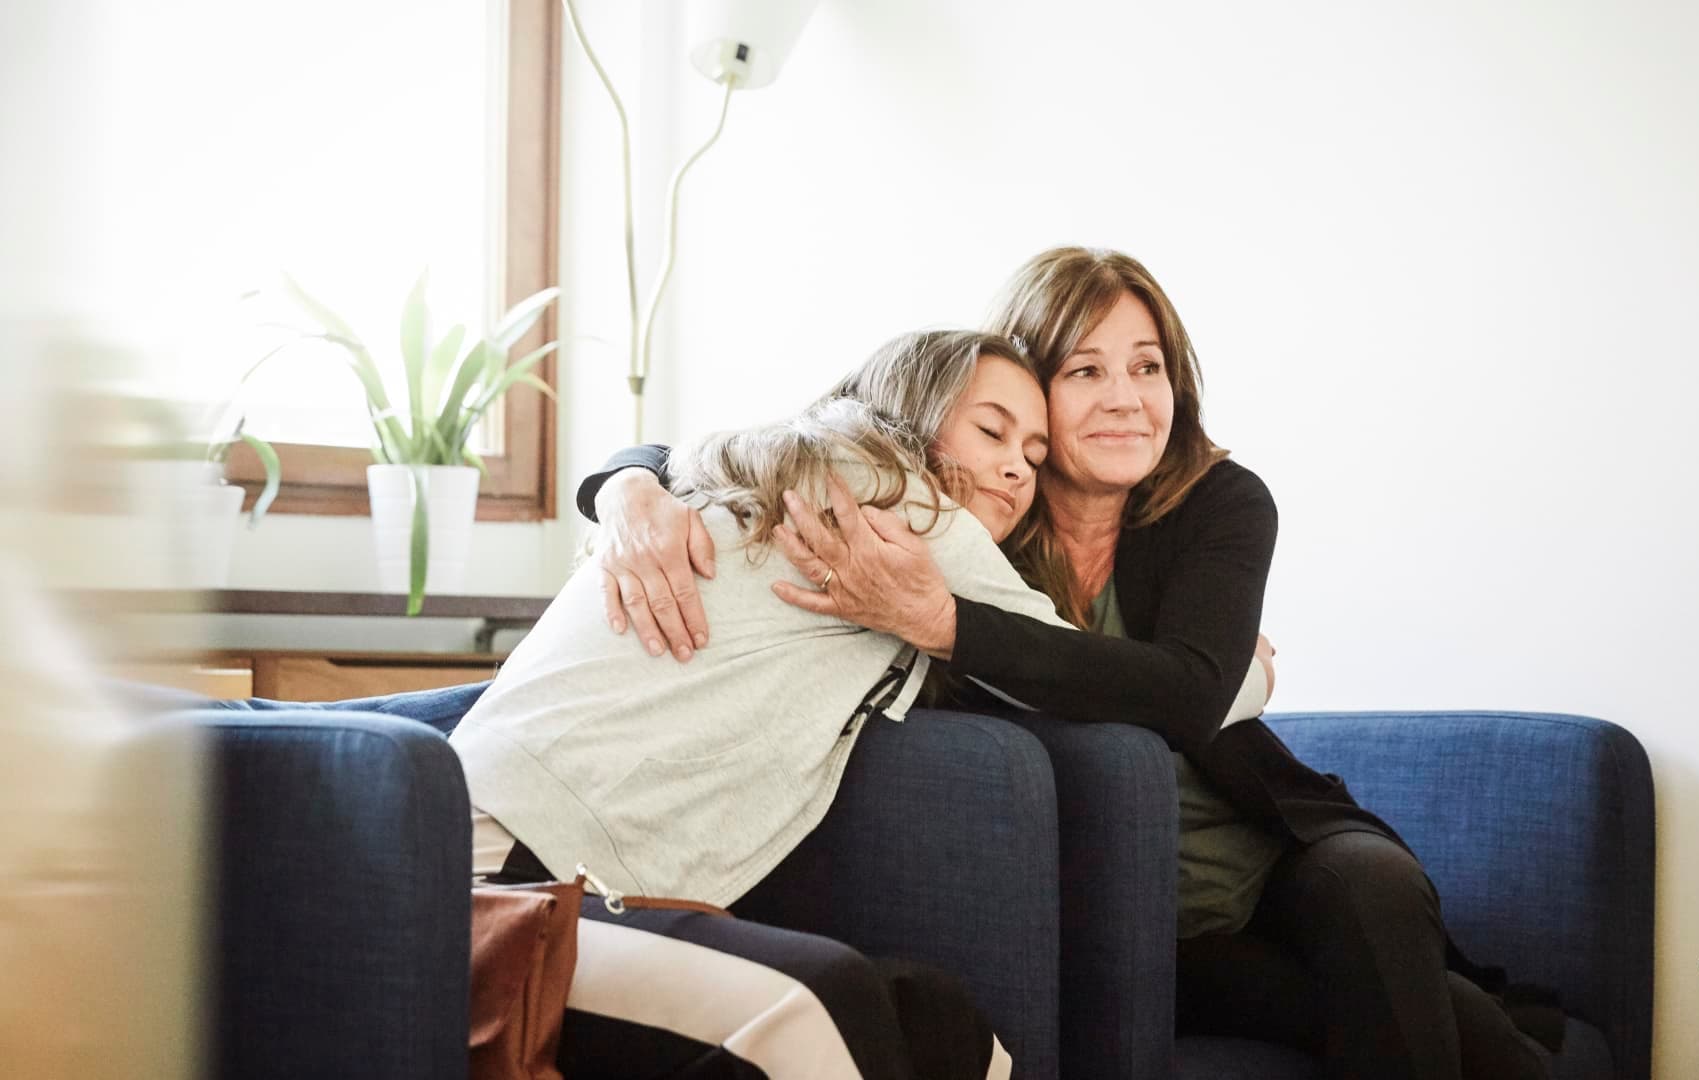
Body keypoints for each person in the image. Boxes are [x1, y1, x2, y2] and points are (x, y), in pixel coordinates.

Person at [580, 248, 1556, 1080]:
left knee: (1373, 891)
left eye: (1147, 367)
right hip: (1148, 907)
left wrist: (945, 624)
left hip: (1272, 853)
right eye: (1085, 371)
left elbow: (1186, 695)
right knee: (1429, 1016)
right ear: (1023, 378)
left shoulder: (1221, 504)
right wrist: (626, 481)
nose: (1126, 399)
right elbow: (798, 433)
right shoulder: (972, 502)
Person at [454, 329, 1065, 1080]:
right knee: (818, 1008)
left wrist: (623, 479)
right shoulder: (905, 504)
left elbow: (647, 458)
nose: (1015, 467)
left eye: (1036, 456)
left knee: (935, 1019)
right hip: (497, 889)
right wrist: (1249, 666)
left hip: (565, 877)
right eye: (991, 431)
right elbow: (1088, 670)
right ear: (916, 414)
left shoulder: (757, 470)